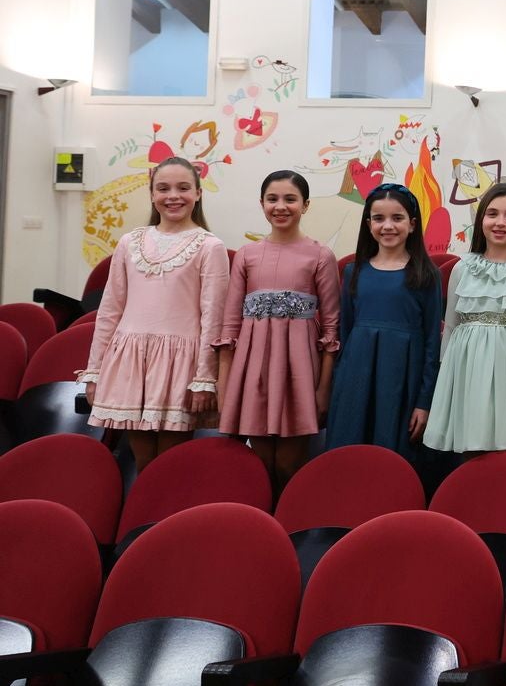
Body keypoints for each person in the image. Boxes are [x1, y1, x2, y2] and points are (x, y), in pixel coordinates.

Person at [80, 156, 229, 471]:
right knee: (143, 461)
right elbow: (109, 310)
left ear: (198, 193)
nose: (173, 195)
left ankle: (171, 518)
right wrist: (95, 372)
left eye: (183, 188)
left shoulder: (209, 246)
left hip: (181, 365)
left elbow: (213, 317)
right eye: (163, 188)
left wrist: (204, 378)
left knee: (171, 465)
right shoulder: (129, 242)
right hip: (131, 359)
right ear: (151, 194)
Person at [216, 170, 340, 492]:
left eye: (290, 199)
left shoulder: (320, 255)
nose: (280, 206)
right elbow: (230, 324)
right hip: (254, 366)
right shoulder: (247, 255)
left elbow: (331, 325)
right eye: (272, 199)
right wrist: (224, 383)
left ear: (306, 205)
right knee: (258, 463)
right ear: (261, 204)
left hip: (299, 369)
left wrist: (324, 387)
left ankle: (289, 528)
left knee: (288, 464)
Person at [424, 184, 506, 454]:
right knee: (472, 450)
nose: (500, 222)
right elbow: (450, 328)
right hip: (468, 372)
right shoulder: (462, 269)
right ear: (481, 219)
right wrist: (446, 380)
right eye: (492, 214)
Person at [325, 184, 442, 461]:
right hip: (356, 380)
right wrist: (338, 389)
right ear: (368, 224)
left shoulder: (427, 275)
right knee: (349, 457)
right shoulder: (353, 272)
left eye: (397, 218)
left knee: (392, 457)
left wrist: (424, 403)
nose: (387, 226)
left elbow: (432, 344)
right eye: (379, 218)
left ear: (412, 225)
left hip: (402, 382)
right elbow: (346, 334)